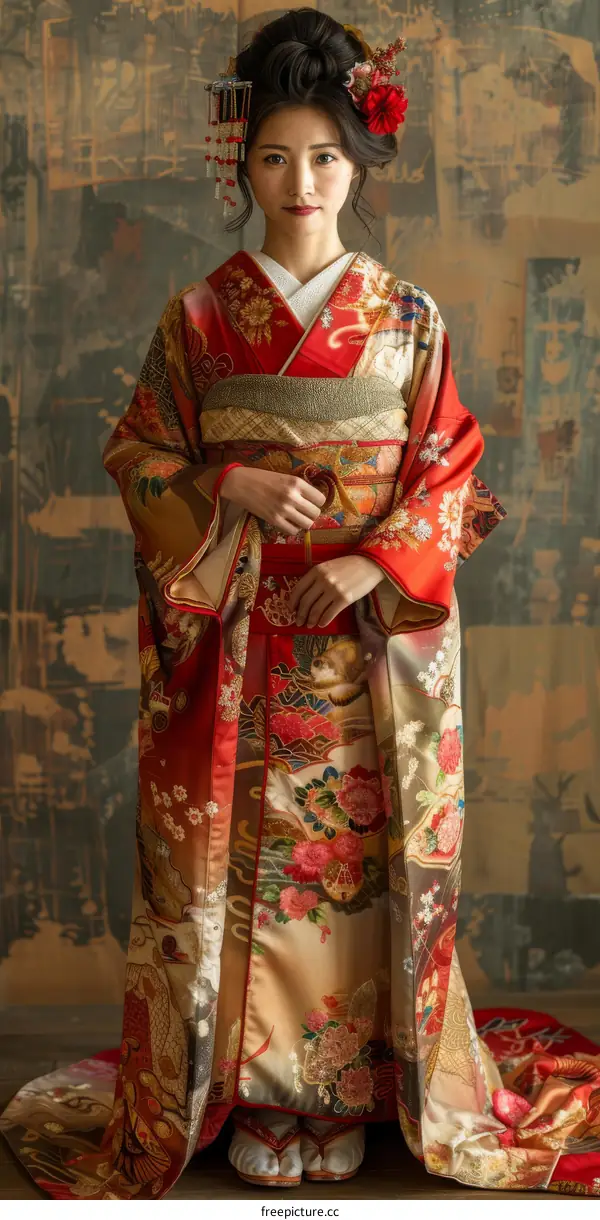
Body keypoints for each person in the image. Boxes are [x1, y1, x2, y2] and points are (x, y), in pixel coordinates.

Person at [1, 8, 599, 1200]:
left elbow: (453, 471)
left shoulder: (408, 316)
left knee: (362, 866)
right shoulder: (199, 318)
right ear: (244, 165)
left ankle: (360, 1089)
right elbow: (137, 456)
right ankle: (260, 1090)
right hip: (240, 639)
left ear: (360, 162)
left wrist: (377, 564)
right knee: (247, 871)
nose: (301, 183)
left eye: (325, 157)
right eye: (274, 157)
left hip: (370, 648)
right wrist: (223, 482)